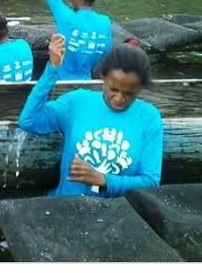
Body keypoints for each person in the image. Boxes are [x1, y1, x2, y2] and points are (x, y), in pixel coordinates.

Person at [18, 35, 163, 198]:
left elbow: (151, 181)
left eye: (129, 93)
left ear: (140, 88)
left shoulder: (149, 118)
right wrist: (52, 69)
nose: (119, 98)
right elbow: (28, 121)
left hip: (119, 211)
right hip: (65, 205)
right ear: (104, 78)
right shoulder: (77, 102)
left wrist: (105, 180)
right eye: (113, 89)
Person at [41, 0, 112, 80]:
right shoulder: (105, 22)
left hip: (58, 84)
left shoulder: (66, 17)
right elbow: (104, 54)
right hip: (86, 83)